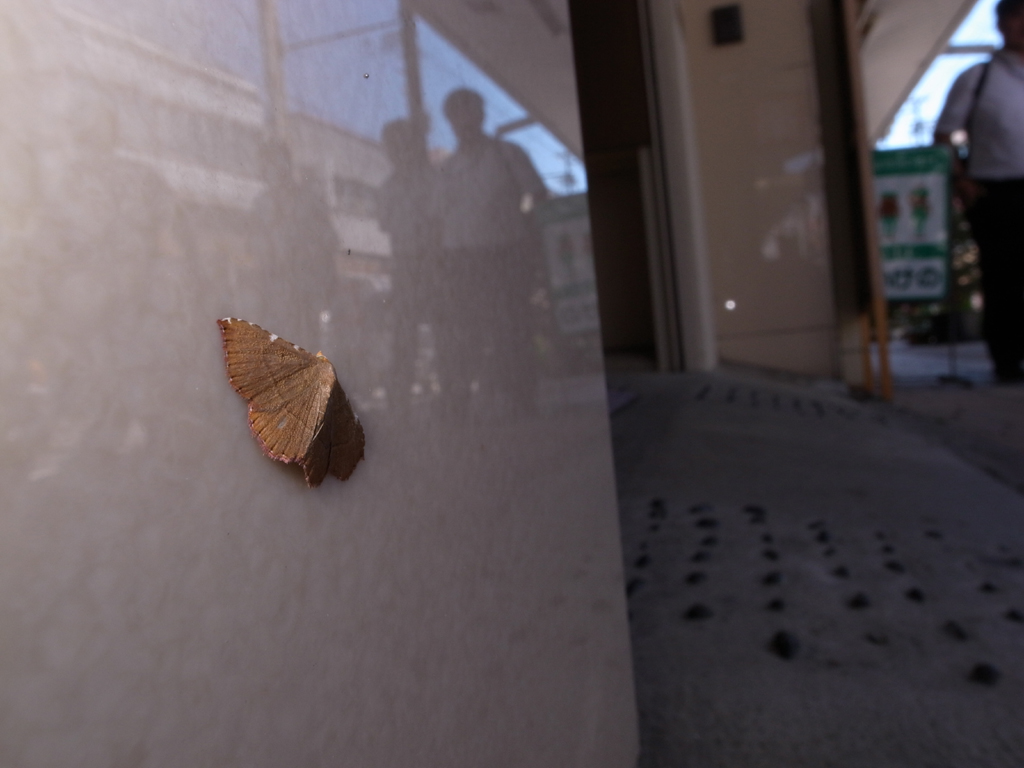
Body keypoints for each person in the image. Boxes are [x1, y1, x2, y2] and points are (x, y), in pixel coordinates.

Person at [436, 88, 549, 411]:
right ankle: (460, 401)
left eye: (470, 111)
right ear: (450, 120)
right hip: (461, 261)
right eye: (457, 114)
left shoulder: (507, 153)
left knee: (512, 327)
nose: (464, 120)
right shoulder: (447, 167)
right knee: (465, 331)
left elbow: (538, 196)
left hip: (506, 254)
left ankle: (521, 399)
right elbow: (439, 218)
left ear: (482, 114)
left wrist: (527, 238)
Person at [935, 0, 1024, 382]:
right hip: (996, 191)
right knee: (1003, 276)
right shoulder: (977, 77)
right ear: (1002, 23)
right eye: (1017, 16)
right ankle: (1006, 360)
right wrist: (961, 179)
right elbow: (943, 134)